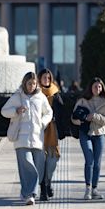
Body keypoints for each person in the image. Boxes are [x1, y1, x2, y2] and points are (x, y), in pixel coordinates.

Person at [1, 71, 53, 205]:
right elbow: (4, 111)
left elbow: (49, 112)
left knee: (38, 167)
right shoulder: (18, 96)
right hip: (21, 139)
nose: (32, 86)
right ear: (25, 83)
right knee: (27, 166)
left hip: (38, 139)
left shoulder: (40, 97)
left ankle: (26, 191)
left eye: (34, 83)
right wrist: (16, 111)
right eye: (29, 83)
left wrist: (43, 122)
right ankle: (30, 194)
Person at [71, 77, 105, 200]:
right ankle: (87, 189)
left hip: (99, 134)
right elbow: (73, 118)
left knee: (97, 163)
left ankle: (94, 189)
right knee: (89, 160)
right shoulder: (82, 101)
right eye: (94, 86)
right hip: (85, 133)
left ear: (102, 88)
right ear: (90, 88)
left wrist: (93, 117)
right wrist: (82, 120)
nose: (97, 89)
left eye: (99, 86)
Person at [37, 68, 66, 201]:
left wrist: (61, 130)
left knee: (52, 161)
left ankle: (48, 181)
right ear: (39, 79)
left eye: (48, 78)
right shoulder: (36, 93)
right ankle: (43, 188)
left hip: (52, 131)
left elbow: (61, 113)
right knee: (41, 161)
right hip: (38, 131)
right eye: (44, 78)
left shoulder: (55, 93)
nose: (47, 80)